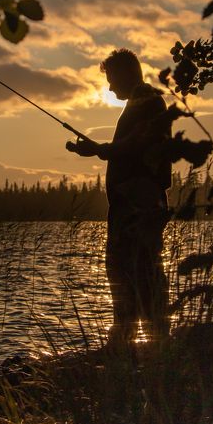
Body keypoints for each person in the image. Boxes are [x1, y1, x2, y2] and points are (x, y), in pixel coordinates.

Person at [67, 48, 171, 344]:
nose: (110, 87)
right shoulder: (144, 102)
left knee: (131, 266)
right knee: (133, 266)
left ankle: (141, 338)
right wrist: (97, 149)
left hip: (139, 203)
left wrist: (99, 149)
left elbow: (135, 144)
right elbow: (130, 144)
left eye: (112, 79)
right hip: (134, 202)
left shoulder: (148, 102)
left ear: (127, 74)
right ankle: (138, 336)